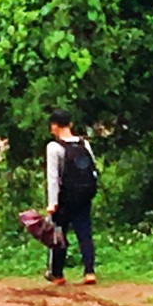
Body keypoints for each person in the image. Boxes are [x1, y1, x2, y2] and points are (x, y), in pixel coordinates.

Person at [45, 107, 98, 286]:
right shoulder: (84, 143)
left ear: (54, 126)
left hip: (64, 198)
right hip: (84, 195)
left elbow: (53, 177)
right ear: (70, 124)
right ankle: (89, 271)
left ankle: (58, 274)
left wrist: (52, 204)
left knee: (59, 234)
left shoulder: (54, 147)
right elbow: (93, 169)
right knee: (84, 233)